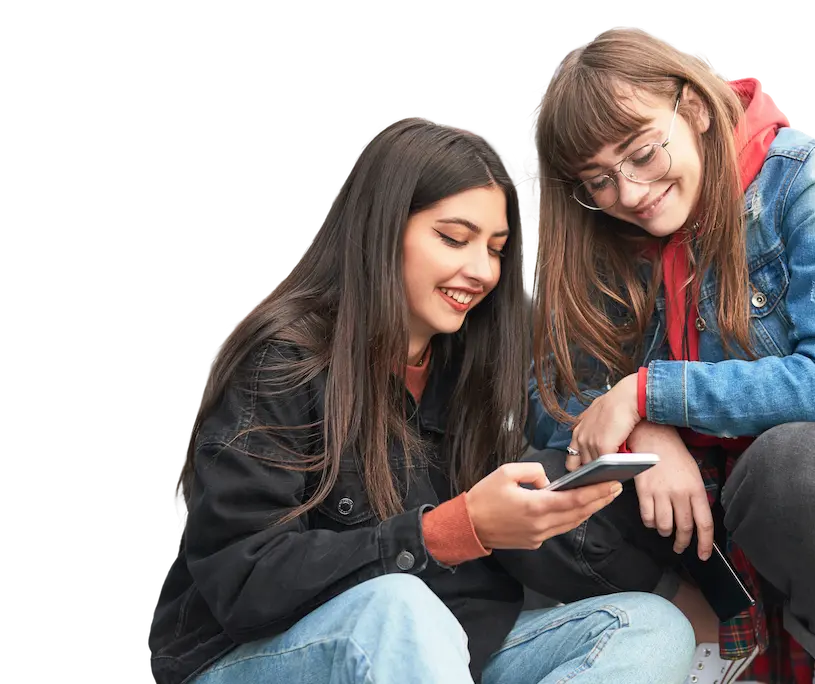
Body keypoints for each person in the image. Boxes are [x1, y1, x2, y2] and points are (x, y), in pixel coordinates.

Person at [144, 115, 697, 684]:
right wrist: (452, 530)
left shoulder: (472, 366)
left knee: (649, 626)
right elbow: (243, 578)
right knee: (398, 609)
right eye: (453, 239)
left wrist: (645, 427)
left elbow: (569, 426)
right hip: (262, 657)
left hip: (446, 650)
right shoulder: (282, 362)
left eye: (497, 249)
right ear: (383, 229)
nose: (481, 271)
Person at [510, 26, 815, 684]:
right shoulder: (608, 236)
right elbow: (551, 403)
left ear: (693, 108)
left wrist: (649, 393)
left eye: (641, 153)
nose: (631, 192)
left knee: (794, 465)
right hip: (700, 515)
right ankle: (711, 630)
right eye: (600, 180)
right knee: (534, 484)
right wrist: (644, 434)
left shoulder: (811, 181)